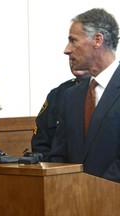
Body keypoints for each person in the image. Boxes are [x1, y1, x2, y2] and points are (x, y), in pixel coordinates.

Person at [49, 8, 120, 183]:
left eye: (73, 41)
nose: (67, 50)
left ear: (97, 40)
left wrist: (96, 192)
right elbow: (59, 155)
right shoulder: (70, 96)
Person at [31, 62, 90, 161]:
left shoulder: (110, 91)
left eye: (79, 55)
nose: (73, 60)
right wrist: (55, 169)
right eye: (71, 58)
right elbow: (40, 143)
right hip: (59, 171)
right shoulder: (58, 94)